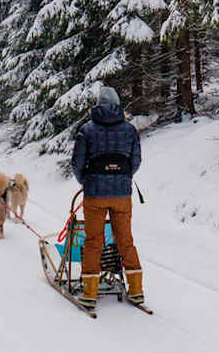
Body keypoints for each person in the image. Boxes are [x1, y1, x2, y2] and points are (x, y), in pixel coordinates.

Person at [70, 85, 143, 310]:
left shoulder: (87, 130)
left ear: (98, 105)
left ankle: (90, 293)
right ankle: (137, 290)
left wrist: (87, 181)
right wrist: (123, 177)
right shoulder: (130, 130)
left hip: (95, 195)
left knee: (94, 241)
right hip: (122, 194)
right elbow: (136, 161)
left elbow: (77, 163)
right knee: (125, 239)